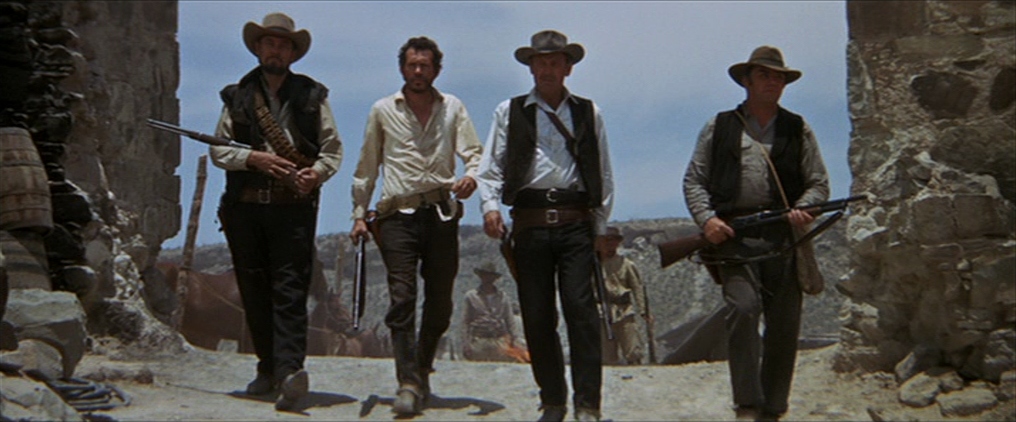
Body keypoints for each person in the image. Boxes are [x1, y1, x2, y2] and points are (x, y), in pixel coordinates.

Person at [682, 45, 830, 422]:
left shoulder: (799, 129)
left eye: (778, 76)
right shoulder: (719, 126)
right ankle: (747, 404)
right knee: (744, 310)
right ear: (747, 81)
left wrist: (805, 207)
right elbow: (694, 180)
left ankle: (774, 407)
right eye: (764, 75)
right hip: (734, 238)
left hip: (784, 238)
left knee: (784, 323)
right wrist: (707, 220)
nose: (772, 82)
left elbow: (818, 183)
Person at [477, 29, 614, 422]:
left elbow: (602, 173)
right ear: (531, 67)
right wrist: (489, 207)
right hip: (530, 224)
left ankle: (588, 405)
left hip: (575, 222)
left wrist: (600, 227)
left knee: (581, 312)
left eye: (555, 62)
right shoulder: (510, 111)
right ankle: (553, 402)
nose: (547, 69)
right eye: (541, 62)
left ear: (567, 68)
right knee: (537, 316)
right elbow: (491, 168)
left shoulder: (590, 113)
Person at [209, 12, 343, 411]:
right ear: (258, 48)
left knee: (290, 290)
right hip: (246, 208)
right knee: (254, 289)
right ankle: (266, 368)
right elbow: (219, 148)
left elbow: (332, 149)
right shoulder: (237, 96)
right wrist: (255, 159)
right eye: (269, 43)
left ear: (292, 52)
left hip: (292, 209)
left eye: (283, 44)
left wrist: (314, 175)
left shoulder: (313, 95)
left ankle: (289, 372)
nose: (276, 50)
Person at [349, 36, 483, 416]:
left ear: (436, 70)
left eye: (425, 65)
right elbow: (367, 166)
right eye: (412, 65)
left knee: (440, 301)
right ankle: (406, 381)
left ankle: (422, 368)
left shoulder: (453, 107)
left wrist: (471, 176)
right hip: (396, 216)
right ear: (402, 68)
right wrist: (360, 214)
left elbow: (473, 152)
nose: (418, 71)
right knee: (402, 296)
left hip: (441, 214)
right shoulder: (381, 110)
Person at [597, 226, 650, 366]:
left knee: (633, 351)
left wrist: (643, 310)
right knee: (607, 357)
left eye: (613, 241)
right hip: (602, 312)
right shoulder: (594, 265)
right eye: (607, 241)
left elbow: (637, 287)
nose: (610, 244)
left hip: (624, 311)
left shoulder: (626, 264)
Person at [460, 261, 522, 362]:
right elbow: (465, 322)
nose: (488, 279)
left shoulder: (503, 297)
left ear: (494, 278)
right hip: (479, 340)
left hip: (498, 340)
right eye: (485, 275)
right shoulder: (471, 296)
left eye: (490, 276)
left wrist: (514, 340)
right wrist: (466, 344)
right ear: (481, 276)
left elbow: (510, 321)